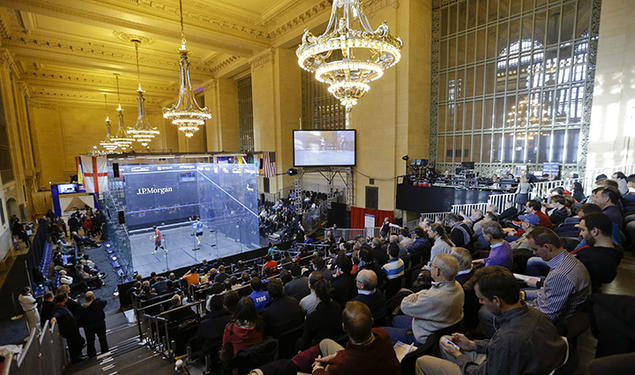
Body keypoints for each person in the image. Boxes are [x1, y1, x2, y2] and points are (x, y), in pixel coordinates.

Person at [415, 266, 568, 375]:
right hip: (518, 363)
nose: (480, 303)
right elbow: (501, 347)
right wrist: (473, 345)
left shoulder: (508, 338)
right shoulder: (537, 315)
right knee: (445, 339)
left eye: (481, 299)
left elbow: (481, 371)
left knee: (423, 361)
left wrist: (458, 356)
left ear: (496, 300)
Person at [383, 254, 464, 345]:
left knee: (381, 332)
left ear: (437, 271)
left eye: (431, 265)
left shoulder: (433, 297)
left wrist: (416, 295)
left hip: (422, 337)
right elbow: (428, 292)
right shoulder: (457, 286)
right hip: (437, 326)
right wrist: (421, 294)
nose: (430, 268)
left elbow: (404, 306)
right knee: (396, 320)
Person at [523, 227, 591, 323]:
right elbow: (547, 292)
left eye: (535, 249)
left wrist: (518, 306)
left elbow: (547, 315)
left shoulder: (560, 274)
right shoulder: (565, 258)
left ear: (548, 247)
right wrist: (524, 295)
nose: (534, 253)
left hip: (551, 321)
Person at [576, 213, 623, 292]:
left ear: (595, 231)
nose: (580, 234)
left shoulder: (593, 261)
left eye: (583, 230)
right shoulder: (614, 249)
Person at [298, 278, 343, 350]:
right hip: (339, 342)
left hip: (322, 348)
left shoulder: (312, 318)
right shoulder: (338, 306)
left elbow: (305, 343)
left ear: (316, 294)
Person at [221, 296, 264, 361]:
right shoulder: (260, 322)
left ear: (238, 310)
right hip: (260, 358)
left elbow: (225, 347)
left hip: (241, 362)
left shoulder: (230, 328)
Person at [53, 293, 86, 363]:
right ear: (64, 299)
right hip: (69, 330)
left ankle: (78, 355)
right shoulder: (59, 308)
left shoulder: (63, 305)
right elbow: (57, 314)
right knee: (77, 343)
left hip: (72, 328)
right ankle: (75, 358)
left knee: (74, 344)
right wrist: (54, 318)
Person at [80, 291, 109, 357]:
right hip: (100, 324)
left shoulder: (82, 307)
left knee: (90, 341)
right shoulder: (98, 303)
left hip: (88, 326)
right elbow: (104, 301)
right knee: (102, 338)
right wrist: (95, 299)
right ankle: (105, 351)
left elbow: (80, 318)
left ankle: (91, 354)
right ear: (93, 297)